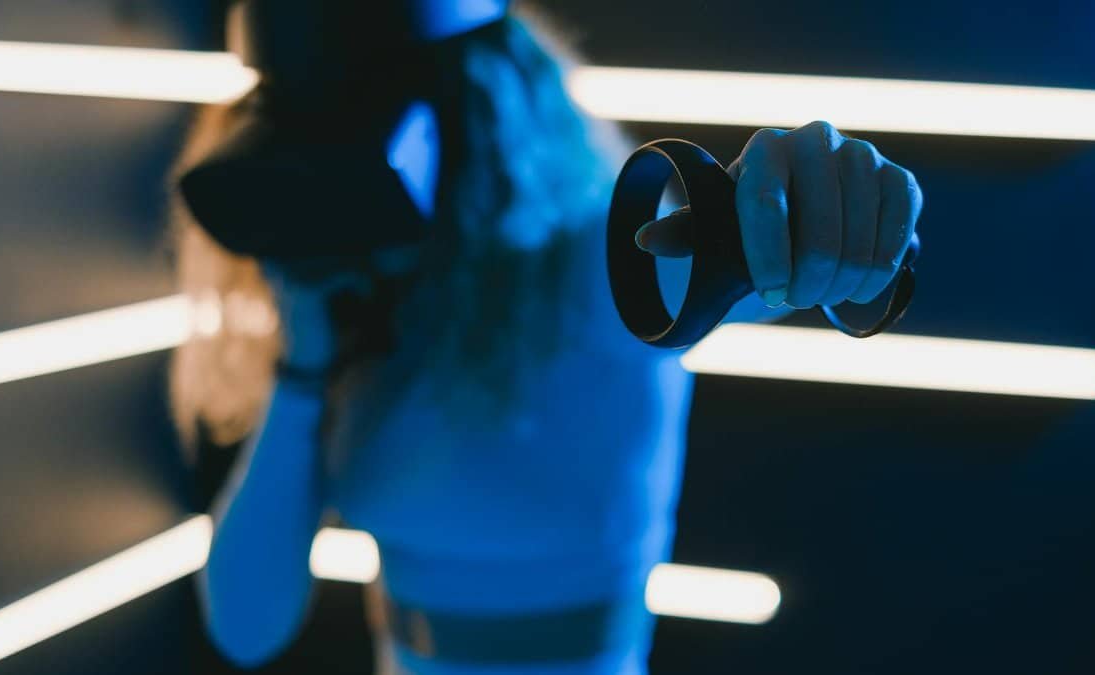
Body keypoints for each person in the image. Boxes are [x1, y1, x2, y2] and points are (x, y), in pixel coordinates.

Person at [169, 3, 922, 673]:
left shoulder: (600, 270)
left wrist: (816, 210)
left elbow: (751, 257)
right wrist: (304, 363)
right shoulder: (358, 318)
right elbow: (245, 626)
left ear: (472, 111)